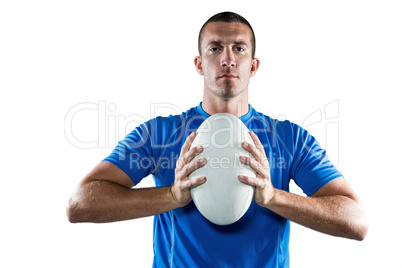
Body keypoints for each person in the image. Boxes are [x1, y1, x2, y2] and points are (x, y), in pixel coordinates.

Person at [67, 11, 368, 267]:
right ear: (199, 64)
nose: (227, 59)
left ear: (253, 65)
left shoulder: (289, 139)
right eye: (214, 48)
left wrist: (274, 196)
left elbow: (356, 221)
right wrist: (171, 196)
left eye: (239, 48)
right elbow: (80, 203)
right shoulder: (159, 134)